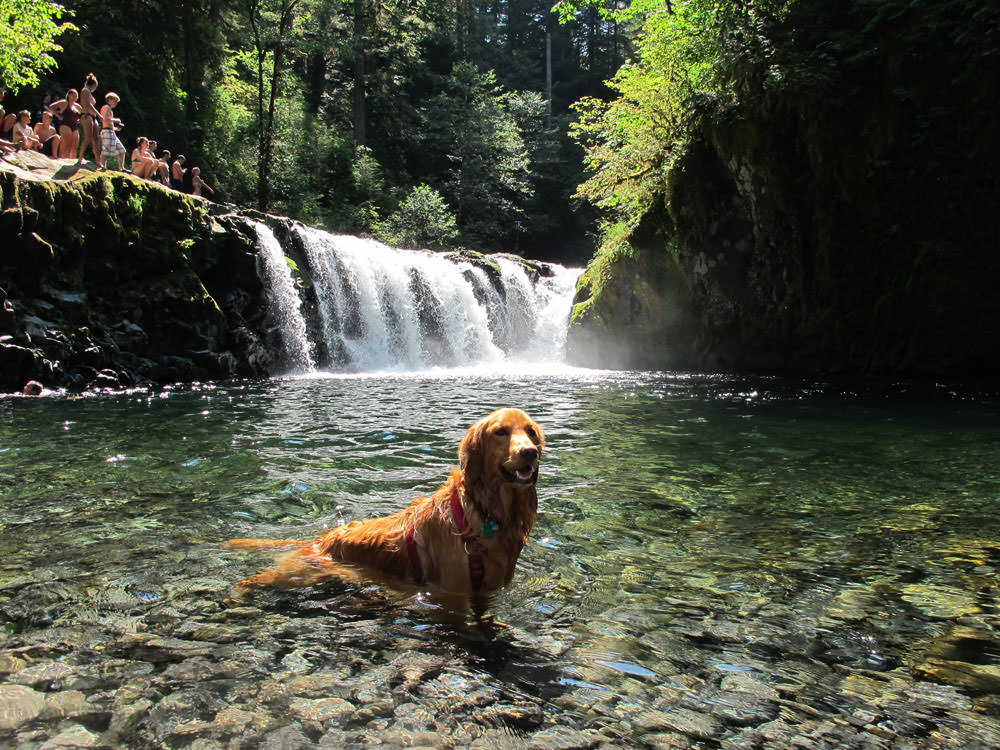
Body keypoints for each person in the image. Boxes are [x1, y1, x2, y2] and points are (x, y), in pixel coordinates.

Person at [49, 89, 82, 159]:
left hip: (74, 126)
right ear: (69, 95)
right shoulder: (64, 102)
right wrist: (58, 115)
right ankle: (62, 157)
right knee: (66, 141)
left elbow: (83, 115)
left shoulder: (78, 106)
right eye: (72, 95)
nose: (74, 97)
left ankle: (72, 159)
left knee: (75, 144)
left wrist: (79, 120)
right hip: (65, 124)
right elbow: (51, 107)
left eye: (76, 96)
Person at [99, 92, 127, 171]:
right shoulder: (106, 107)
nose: (116, 103)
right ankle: (102, 166)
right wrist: (116, 120)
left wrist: (116, 129)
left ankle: (121, 168)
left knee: (122, 150)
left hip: (111, 131)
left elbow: (108, 123)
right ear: (109, 100)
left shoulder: (109, 109)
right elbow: (105, 119)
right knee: (106, 151)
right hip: (107, 132)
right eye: (115, 101)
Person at [77, 74, 100, 164]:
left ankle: (97, 160)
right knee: (87, 137)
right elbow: (88, 105)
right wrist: (99, 114)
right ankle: (80, 156)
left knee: (95, 139)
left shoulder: (89, 92)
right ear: (93, 85)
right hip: (86, 115)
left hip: (92, 116)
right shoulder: (85, 91)